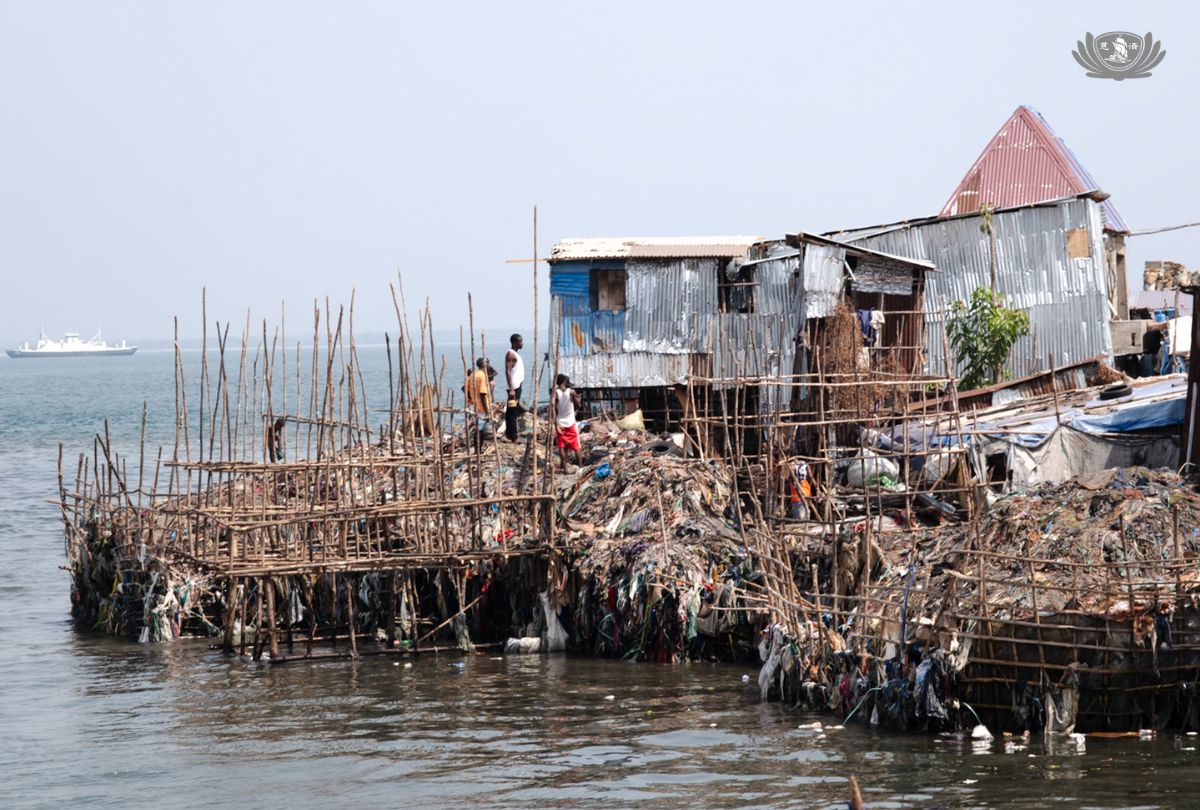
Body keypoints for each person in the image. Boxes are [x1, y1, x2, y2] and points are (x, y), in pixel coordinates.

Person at [554, 373, 583, 470]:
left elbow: (554, 409)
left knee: (562, 446)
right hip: (570, 422)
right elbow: (578, 406)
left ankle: (564, 466)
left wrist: (555, 424)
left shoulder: (555, 393)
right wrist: (579, 399)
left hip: (560, 423)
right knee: (576, 446)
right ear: (564, 381)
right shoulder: (571, 392)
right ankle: (580, 466)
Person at [504, 334, 525, 441]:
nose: (522, 343)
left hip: (517, 385)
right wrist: (511, 389)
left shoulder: (515, 354)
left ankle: (509, 434)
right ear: (514, 342)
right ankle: (513, 436)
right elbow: (508, 371)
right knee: (513, 412)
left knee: (511, 411)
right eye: (520, 342)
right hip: (514, 387)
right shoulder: (511, 354)